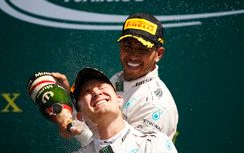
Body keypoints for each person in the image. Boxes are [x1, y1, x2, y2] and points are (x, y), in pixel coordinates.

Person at [52, 12, 178, 146]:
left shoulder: (156, 106)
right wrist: (69, 104)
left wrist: (78, 130)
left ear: (158, 54)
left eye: (142, 49)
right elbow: (97, 125)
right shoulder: (118, 79)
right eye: (127, 47)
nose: (133, 56)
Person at [65, 67, 181, 153]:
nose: (96, 92)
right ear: (79, 116)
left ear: (119, 100)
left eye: (101, 86)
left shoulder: (155, 144)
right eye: (87, 92)